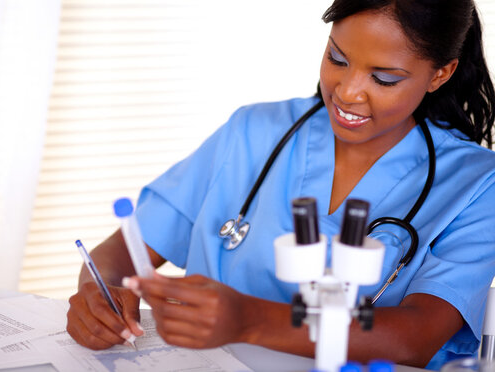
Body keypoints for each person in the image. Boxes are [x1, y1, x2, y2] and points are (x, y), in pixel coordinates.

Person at [65, 0, 495, 369]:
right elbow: (121, 252)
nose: (347, 92)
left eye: (384, 78)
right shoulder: (253, 132)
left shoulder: (476, 183)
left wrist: (248, 319)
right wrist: (98, 295)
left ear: (441, 74)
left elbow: (414, 339)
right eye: (337, 58)